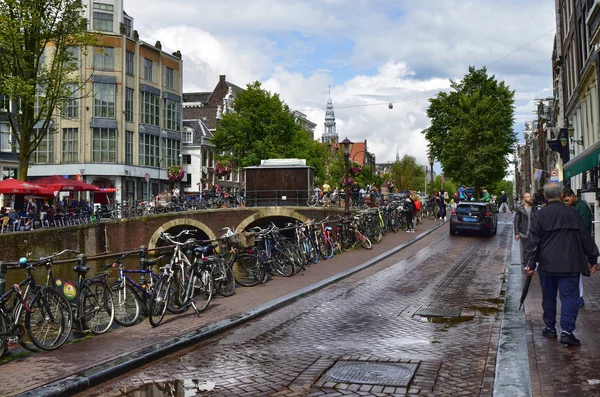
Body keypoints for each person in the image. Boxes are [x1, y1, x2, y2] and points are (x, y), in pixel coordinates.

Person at [523, 182, 599, 346]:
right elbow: (585, 237)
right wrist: (593, 258)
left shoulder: (540, 215)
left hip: (547, 264)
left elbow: (532, 241)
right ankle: (567, 331)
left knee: (549, 297)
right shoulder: (572, 214)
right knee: (570, 297)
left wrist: (529, 263)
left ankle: (550, 327)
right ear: (561, 195)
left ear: (545, 196)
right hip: (570, 263)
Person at [562, 187, 593, 307]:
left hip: (579, 244)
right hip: (575, 244)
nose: (566, 202)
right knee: (575, 270)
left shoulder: (581, 207)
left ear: (572, 196)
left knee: (577, 270)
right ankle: (577, 296)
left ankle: (579, 297)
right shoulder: (574, 207)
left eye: (567, 200)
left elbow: (584, 228)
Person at [514, 192, 538, 268]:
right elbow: (516, 221)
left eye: (530, 196)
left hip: (532, 232)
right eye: (528, 197)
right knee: (525, 249)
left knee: (533, 249)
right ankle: (525, 264)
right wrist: (517, 233)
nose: (530, 198)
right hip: (523, 232)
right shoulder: (520, 209)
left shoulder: (534, 208)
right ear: (524, 199)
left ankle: (531, 264)